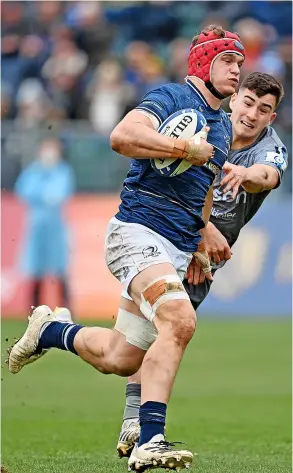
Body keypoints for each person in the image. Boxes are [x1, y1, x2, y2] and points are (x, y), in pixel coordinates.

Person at [8, 25, 245, 472]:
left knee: (120, 357)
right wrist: (182, 147)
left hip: (174, 245)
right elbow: (121, 136)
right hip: (137, 232)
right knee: (179, 319)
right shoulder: (171, 98)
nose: (237, 69)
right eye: (228, 61)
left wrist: (198, 238)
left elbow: (205, 185)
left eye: (240, 63)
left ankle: (50, 332)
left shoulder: (223, 124)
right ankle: (150, 440)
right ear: (204, 63)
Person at [116, 70, 288, 458]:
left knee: (156, 335)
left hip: (208, 259)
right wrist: (201, 232)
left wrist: (246, 175)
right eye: (247, 102)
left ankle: (135, 419)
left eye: (264, 110)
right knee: (150, 331)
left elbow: (268, 176)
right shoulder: (205, 129)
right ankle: (136, 424)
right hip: (174, 235)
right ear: (234, 99)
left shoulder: (269, 148)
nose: (252, 114)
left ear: (272, 118)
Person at [14, 137, 75, 308]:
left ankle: (66, 308)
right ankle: (33, 310)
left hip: (56, 226)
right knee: (35, 268)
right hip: (36, 225)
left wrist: (46, 195)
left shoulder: (63, 171)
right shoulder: (33, 171)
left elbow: (61, 193)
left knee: (61, 267)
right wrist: (44, 193)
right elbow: (23, 191)